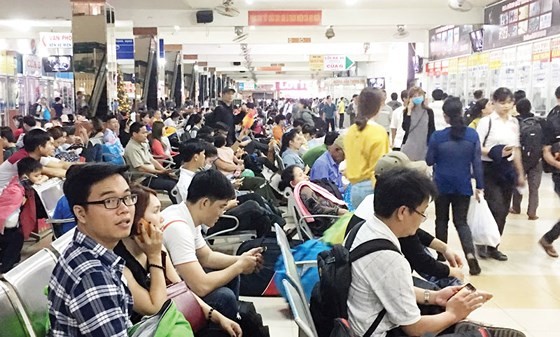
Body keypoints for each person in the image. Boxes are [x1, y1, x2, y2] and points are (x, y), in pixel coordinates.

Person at [346, 166, 525, 337]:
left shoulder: (363, 229)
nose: (422, 220)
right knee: (455, 324)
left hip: (360, 321)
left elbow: (391, 288)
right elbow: (414, 329)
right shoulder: (389, 258)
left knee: (437, 306)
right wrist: (454, 314)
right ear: (402, 212)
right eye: (422, 213)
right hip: (378, 332)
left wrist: (435, 297)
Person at [114, 185, 242, 336]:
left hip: (169, 316)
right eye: (155, 211)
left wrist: (217, 316)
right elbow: (154, 307)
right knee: (224, 299)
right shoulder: (119, 262)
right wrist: (154, 256)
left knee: (229, 321)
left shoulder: (157, 246)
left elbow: (181, 290)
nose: (161, 217)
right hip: (149, 328)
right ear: (137, 219)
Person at [161, 169, 264, 321]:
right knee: (224, 297)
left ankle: (233, 320)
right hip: (163, 299)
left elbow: (207, 257)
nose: (222, 213)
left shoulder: (185, 214)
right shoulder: (178, 228)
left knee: (230, 274)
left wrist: (241, 259)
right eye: (221, 206)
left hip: (173, 283)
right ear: (205, 203)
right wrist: (239, 266)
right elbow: (200, 286)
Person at [47, 164, 137, 336]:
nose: (125, 208)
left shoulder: (84, 251)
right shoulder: (92, 277)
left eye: (127, 197)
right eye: (110, 201)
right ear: (81, 213)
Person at [426, 97, 483, 276]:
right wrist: (480, 186)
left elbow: (429, 160)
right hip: (463, 185)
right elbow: (477, 163)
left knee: (441, 220)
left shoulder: (438, 136)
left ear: (445, 116)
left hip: (441, 185)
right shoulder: (472, 135)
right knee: (461, 222)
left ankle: (442, 256)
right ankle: (470, 254)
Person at [475, 87, 525, 261]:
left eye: (509, 102)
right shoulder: (486, 122)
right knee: (494, 206)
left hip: (507, 169)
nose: (506, 106)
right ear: (494, 102)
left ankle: (494, 246)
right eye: (502, 102)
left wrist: (520, 172)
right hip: (489, 168)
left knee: (503, 209)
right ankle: (483, 243)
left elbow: (516, 148)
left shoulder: (514, 123)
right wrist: (494, 152)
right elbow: (476, 146)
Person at [343, 87, 390, 207]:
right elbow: (380, 168)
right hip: (372, 188)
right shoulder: (378, 131)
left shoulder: (351, 131)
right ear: (378, 106)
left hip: (354, 188)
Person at [0, 158, 48, 272]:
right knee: (13, 245)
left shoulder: (17, 183)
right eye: (36, 175)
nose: (39, 177)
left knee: (12, 251)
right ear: (25, 176)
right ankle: (4, 270)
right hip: (8, 225)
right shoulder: (16, 191)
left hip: (10, 224)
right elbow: (7, 213)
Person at [279, 164, 347, 236]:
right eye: (300, 175)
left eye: (303, 173)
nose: (306, 176)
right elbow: (317, 209)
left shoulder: (302, 189)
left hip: (328, 219)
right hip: (328, 223)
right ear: (293, 183)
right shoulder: (304, 190)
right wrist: (339, 211)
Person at [0, 129, 71, 193]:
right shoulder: (23, 159)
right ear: (40, 147)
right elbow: (53, 172)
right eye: (50, 144)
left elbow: (60, 165)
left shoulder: (34, 154)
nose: (54, 147)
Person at [124, 122, 178, 203]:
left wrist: (164, 170)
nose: (146, 135)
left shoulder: (143, 144)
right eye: (143, 133)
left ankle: (181, 204)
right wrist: (159, 171)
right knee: (171, 185)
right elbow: (140, 168)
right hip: (144, 178)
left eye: (146, 132)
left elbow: (152, 160)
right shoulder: (132, 148)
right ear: (134, 134)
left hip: (153, 174)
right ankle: (177, 206)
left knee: (176, 179)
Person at [401, 86, 435, 161]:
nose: (417, 98)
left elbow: (432, 129)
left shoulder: (429, 111)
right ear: (410, 98)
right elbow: (405, 127)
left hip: (423, 146)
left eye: (419, 95)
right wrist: (409, 110)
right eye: (414, 96)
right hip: (409, 146)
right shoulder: (407, 111)